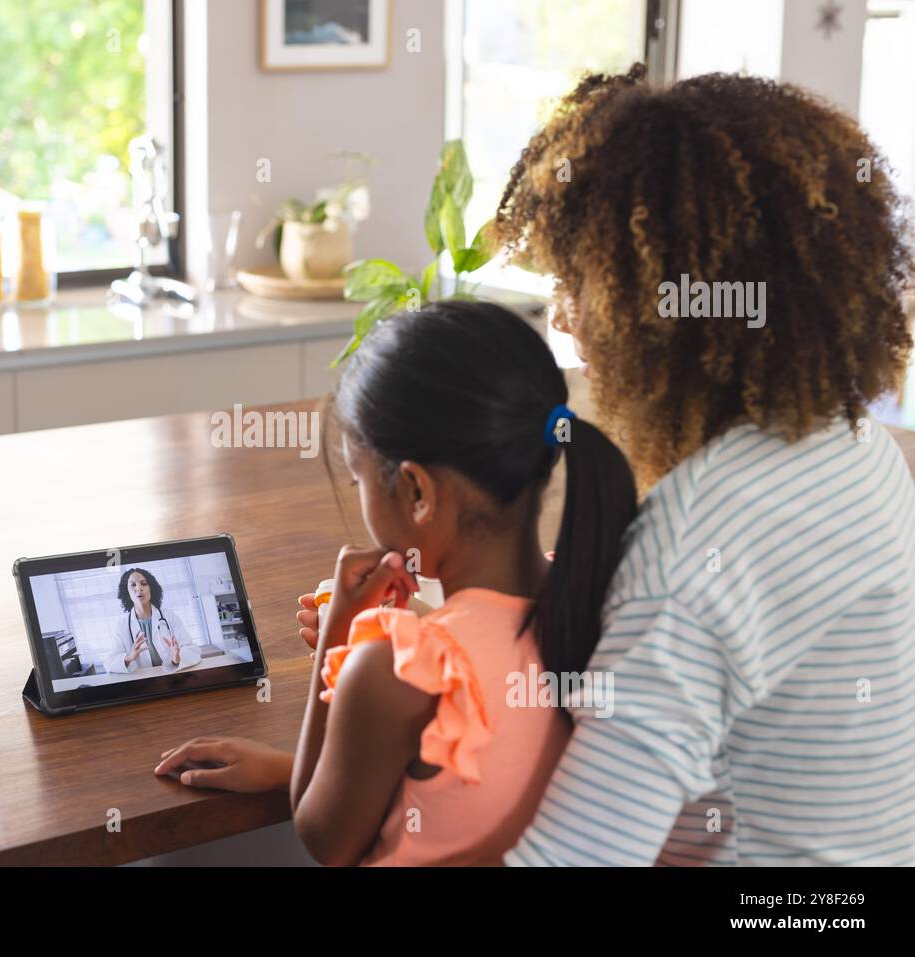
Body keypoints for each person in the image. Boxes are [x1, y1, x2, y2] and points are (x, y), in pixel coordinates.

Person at [163, 66, 915, 866]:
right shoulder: (852, 447)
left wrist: (369, 708)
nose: (562, 314)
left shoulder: (694, 541)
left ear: (664, 304)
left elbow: (572, 857)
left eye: (580, 281)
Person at [170, 300, 638, 865]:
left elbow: (323, 836)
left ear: (417, 491)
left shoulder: (391, 668)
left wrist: (340, 636)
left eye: (358, 478)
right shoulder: (596, 593)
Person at [104, 567, 201, 674]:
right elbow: (109, 663)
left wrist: (177, 658)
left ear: (151, 588)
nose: (139, 588)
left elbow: (193, 650)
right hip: (144, 683)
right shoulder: (122, 626)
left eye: (144, 583)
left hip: (173, 677)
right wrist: (128, 657)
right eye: (133, 585)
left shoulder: (169, 616)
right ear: (127, 593)